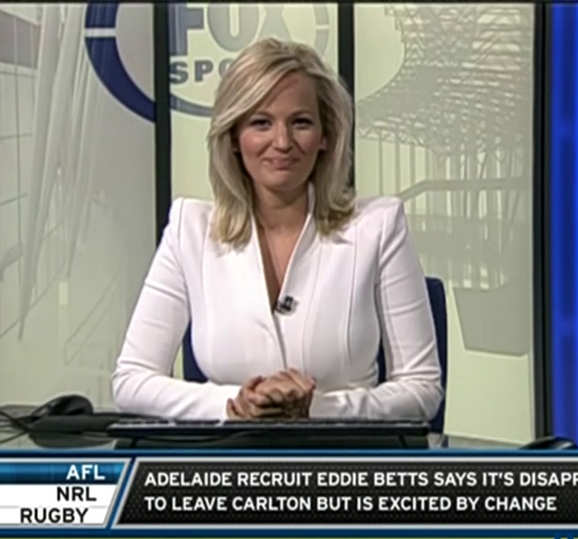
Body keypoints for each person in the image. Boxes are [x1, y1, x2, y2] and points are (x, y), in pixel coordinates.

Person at [112, 39, 443, 422]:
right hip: (228, 452)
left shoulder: (379, 227)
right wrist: (235, 405)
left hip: (341, 452)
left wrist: (314, 409)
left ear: (325, 136)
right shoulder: (190, 229)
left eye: (300, 122)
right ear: (234, 137)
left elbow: (422, 388)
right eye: (261, 123)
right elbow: (131, 380)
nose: (282, 142)